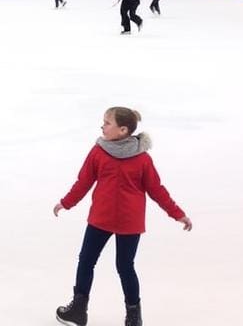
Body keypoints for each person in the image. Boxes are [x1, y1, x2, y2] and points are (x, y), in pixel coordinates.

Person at [53, 107, 192, 326]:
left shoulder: (142, 159)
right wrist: (66, 202)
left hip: (127, 222)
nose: (102, 126)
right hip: (102, 219)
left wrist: (178, 214)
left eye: (107, 123)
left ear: (123, 129)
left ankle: (133, 315)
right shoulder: (98, 152)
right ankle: (79, 310)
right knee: (88, 261)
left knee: (123, 266)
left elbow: (157, 190)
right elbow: (84, 182)